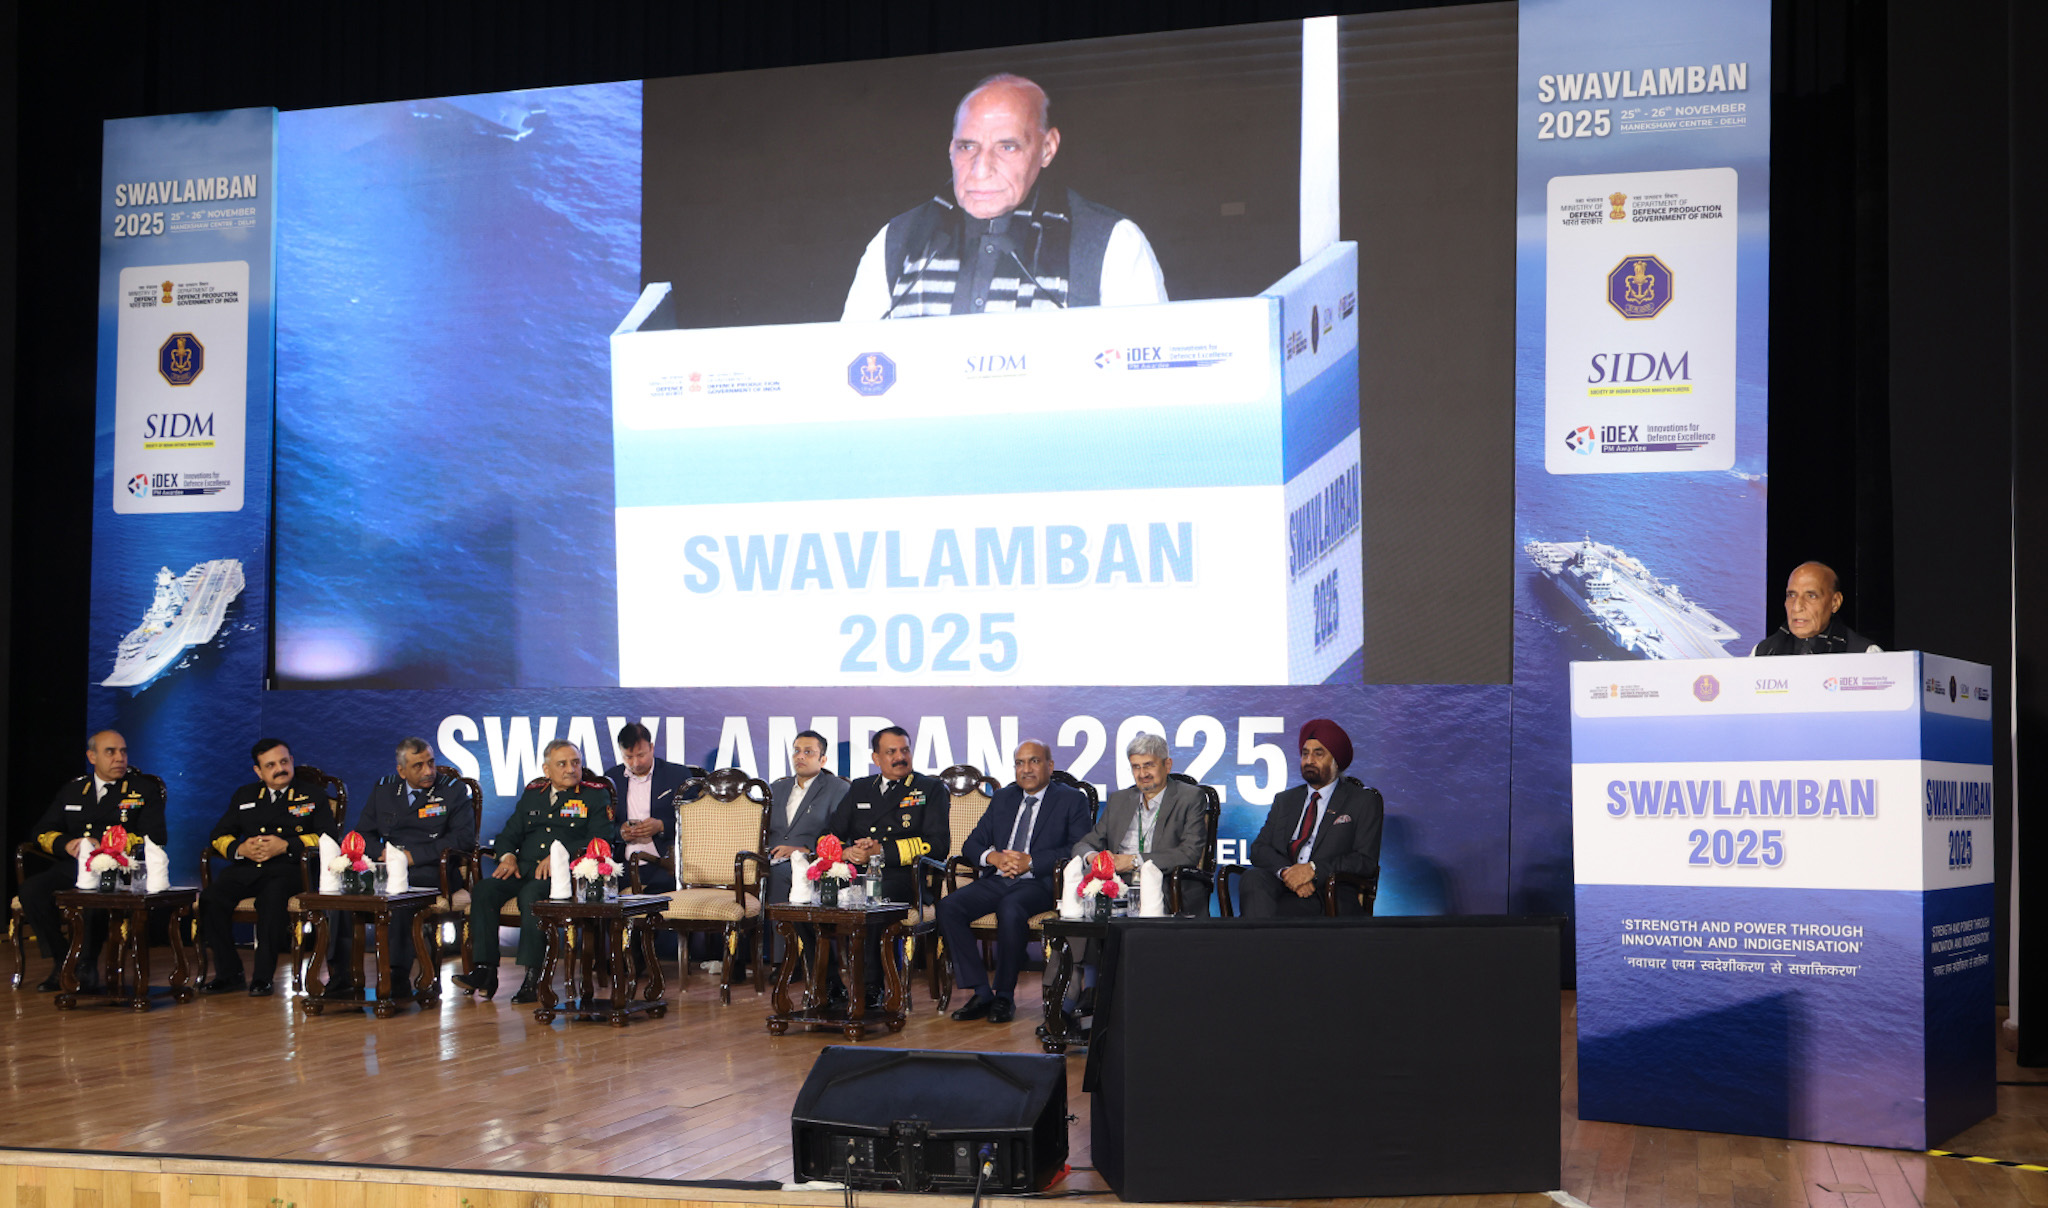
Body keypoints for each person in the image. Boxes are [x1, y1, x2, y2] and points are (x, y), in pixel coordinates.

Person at [841, 73, 1167, 320]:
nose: (981, 170)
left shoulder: (1112, 243)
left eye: (1007, 147)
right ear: (951, 148)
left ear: (1047, 149)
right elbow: (848, 366)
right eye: (967, 147)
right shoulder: (896, 240)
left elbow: (1154, 374)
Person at [940, 741, 1091, 1023]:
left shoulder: (1071, 799)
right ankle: (981, 991)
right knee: (949, 907)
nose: (1026, 769)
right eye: (1020, 763)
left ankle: (1004, 995)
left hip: (1040, 882)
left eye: (1034, 761)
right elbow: (972, 843)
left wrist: (1031, 862)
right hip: (998, 879)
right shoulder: (1003, 798)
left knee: (1010, 907)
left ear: (1050, 765)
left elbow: (1077, 848)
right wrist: (994, 857)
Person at [453, 740, 612, 1003]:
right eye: (562, 764)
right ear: (547, 770)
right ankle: (485, 970)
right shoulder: (533, 794)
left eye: (575, 762)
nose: (571, 769)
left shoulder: (595, 795)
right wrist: (507, 857)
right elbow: (508, 834)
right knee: (485, 890)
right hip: (524, 869)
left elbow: (600, 839)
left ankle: (533, 976)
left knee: (531, 895)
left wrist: (558, 856)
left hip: (562, 877)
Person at [326, 738, 476, 996]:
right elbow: (363, 834)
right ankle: (342, 977)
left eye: (431, 763)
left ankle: (397, 976)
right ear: (401, 770)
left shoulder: (453, 790)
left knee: (400, 895)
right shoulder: (385, 789)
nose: (429, 771)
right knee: (346, 896)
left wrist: (412, 856)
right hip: (387, 866)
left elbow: (462, 839)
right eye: (418, 766)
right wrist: (381, 853)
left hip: (431, 869)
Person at [21, 730, 166, 992]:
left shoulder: (143, 790)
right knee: (32, 890)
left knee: (98, 895)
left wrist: (109, 845)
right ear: (92, 756)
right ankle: (63, 961)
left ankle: (86, 964)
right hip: (76, 865)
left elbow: (155, 836)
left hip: (119, 866)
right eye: (110, 752)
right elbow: (41, 831)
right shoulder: (75, 789)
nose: (119, 757)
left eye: (123, 751)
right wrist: (66, 844)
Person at [199, 738, 340, 996]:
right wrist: (240, 849)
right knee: (211, 898)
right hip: (249, 867)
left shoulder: (312, 795)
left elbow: (328, 838)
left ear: (292, 761)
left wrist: (286, 845)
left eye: (284, 762)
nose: (280, 769)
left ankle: (262, 978)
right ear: (258, 771)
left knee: (271, 899)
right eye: (271, 765)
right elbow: (218, 835)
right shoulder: (245, 795)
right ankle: (229, 973)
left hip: (291, 869)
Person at [822, 726, 951, 1007]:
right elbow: (829, 835)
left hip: (903, 876)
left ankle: (872, 987)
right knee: (812, 898)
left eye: (904, 750)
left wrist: (881, 851)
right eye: (891, 752)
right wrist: (846, 851)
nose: (900, 757)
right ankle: (829, 982)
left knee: (874, 897)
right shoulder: (860, 787)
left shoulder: (929, 789)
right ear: (876, 758)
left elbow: (938, 845)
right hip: (855, 871)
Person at [1239, 719, 1385, 918]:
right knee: (1253, 878)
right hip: (1283, 885)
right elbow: (1259, 848)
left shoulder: (1362, 801)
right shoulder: (1285, 800)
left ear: (1336, 761)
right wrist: (1288, 873)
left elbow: (1364, 861)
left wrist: (1313, 870)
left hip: (1328, 892)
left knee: (1276, 911)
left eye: (1318, 754)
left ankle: (1260, 938)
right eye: (1305, 754)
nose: (1309, 760)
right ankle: (1261, 937)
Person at [1072, 733, 1208, 908]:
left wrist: (1134, 861)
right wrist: (1094, 858)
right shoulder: (1119, 799)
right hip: (1116, 885)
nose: (1142, 774)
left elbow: (1189, 853)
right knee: (1084, 895)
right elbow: (1084, 845)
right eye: (1136, 767)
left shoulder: (1190, 797)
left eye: (1149, 765)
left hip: (1165, 885)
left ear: (1167, 765)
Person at [762, 729, 849, 966]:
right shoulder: (776, 788)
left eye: (808, 752)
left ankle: (786, 962)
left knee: (779, 875)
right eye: (797, 751)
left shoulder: (837, 789)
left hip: (811, 859)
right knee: (746, 876)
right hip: (770, 857)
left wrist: (802, 849)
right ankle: (737, 961)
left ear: (823, 759)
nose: (800, 756)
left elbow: (839, 833)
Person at [603, 722, 689, 894]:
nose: (635, 763)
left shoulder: (677, 775)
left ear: (651, 747)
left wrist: (662, 826)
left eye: (641, 755)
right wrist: (620, 832)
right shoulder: (612, 779)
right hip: (624, 864)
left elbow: (695, 823)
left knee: (658, 891)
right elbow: (602, 824)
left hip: (665, 862)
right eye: (628, 757)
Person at [1752, 562, 1882, 655]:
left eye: (1811, 596)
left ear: (1835, 602)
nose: (1797, 607)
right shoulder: (1762, 653)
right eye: (1791, 595)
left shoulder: (1865, 655)